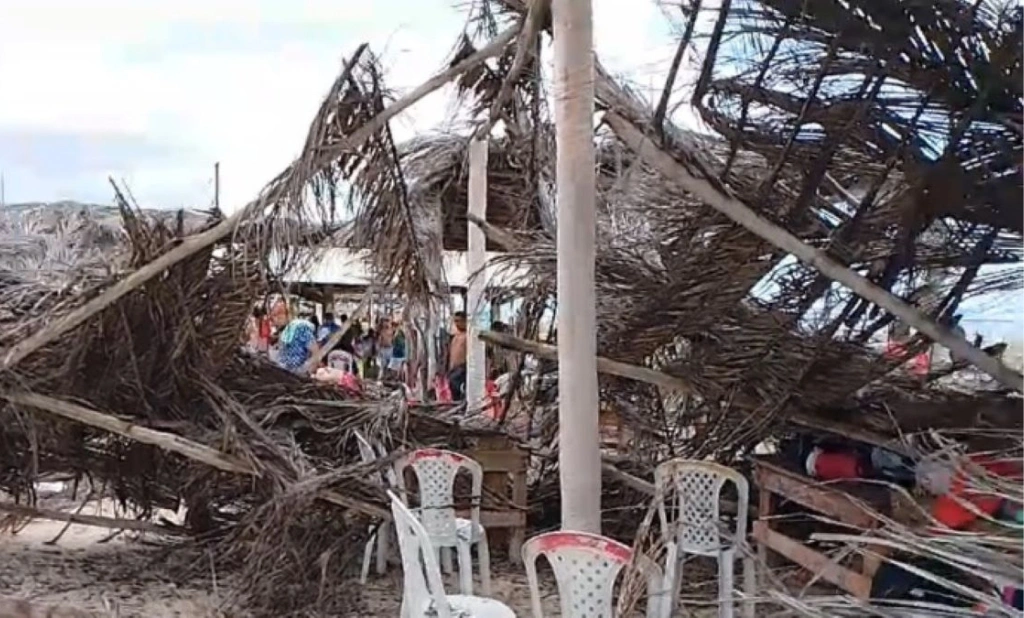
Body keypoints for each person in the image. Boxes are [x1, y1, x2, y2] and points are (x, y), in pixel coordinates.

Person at [270, 301, 319, 375]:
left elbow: (315, 351)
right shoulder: (285, 330)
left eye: (277, 315)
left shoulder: (300, 327)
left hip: (298, 374)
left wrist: (309, 371)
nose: (275, 320)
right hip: (283, 373)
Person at [447, 311, 468, 400]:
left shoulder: (467, 336)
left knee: (459, 390)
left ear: (464, 321)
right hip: (453, 369)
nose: (457, 324)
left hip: (461, 368)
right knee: (453, 391)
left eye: (459, 321)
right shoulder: (455, 337)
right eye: (455, 321)